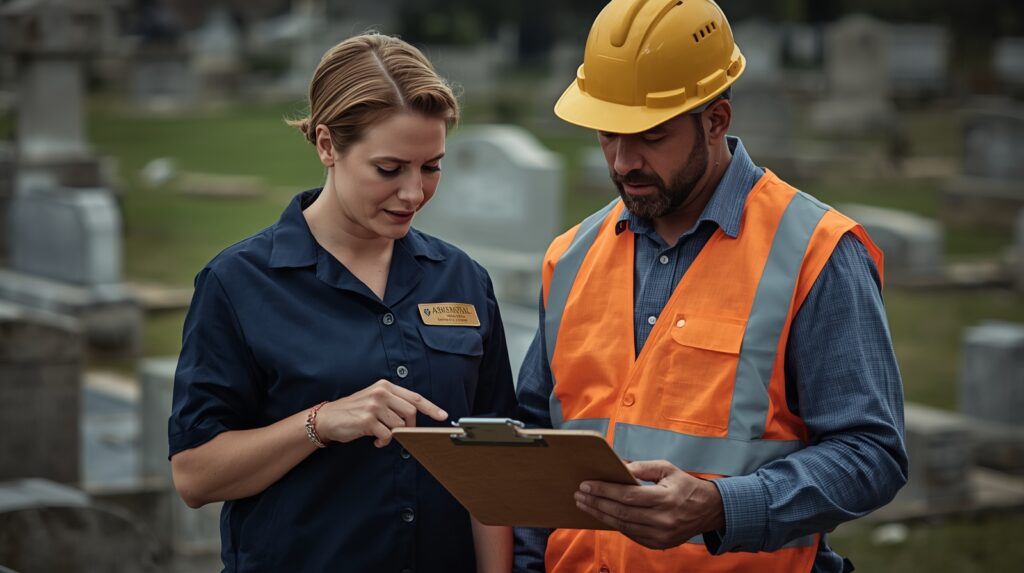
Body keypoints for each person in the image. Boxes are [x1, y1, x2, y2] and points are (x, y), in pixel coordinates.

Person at [513, 1, 907, 572]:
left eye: (650, 136)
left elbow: (871, 455)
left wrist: (721, 506)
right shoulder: (571, 256)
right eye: (608, 136)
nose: (624, 163)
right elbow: (533, 442)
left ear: (716, 120)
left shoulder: (816, 252)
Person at [168, 33, 516, 572]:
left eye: (432, 167)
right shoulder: (237, 282)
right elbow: (195, 476)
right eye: (389, 169)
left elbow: (493, 466)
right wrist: (321, 422)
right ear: (328, 145)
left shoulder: (464, 279)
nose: (413, 193)